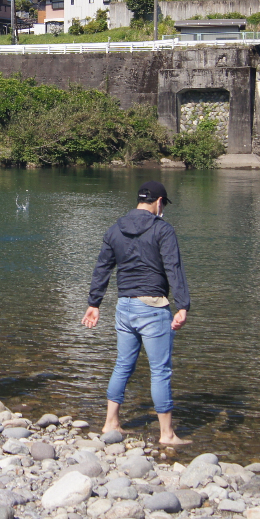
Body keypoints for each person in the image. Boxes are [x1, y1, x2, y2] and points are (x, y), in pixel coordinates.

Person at [82, 180, 192, 446]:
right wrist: (182, 305)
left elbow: (102, 268)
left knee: (122, 365)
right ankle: (167, 435)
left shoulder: (115, 229)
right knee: (160, 370)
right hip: (153, 307)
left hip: (125, 306)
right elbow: (173, 267)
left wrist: (94, 304)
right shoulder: (162, 230)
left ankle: (111, 422)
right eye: (163, 204)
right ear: (159, 202)